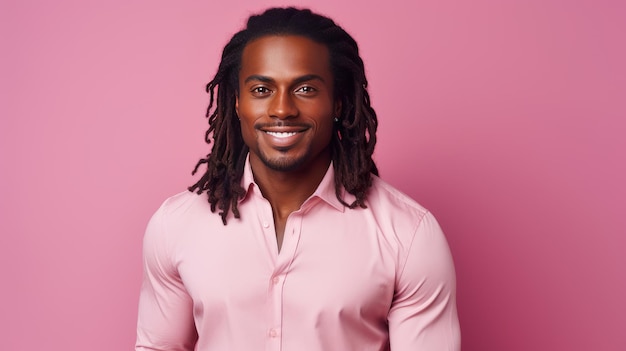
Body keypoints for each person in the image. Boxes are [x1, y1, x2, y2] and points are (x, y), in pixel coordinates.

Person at [135, 7, 460, 351]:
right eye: (261, 90)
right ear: (237, 101)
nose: (282, 109)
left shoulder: (408, 236)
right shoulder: (176, 226)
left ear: (337, 102)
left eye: (305, 88)